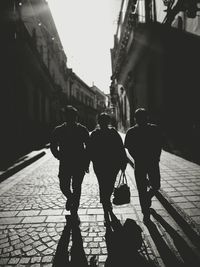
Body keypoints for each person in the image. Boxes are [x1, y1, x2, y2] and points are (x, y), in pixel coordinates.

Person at [50, 105, 90, 223]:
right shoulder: (59, 130)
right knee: (64, 186)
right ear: (65, 117)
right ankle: (70, 198)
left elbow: (89, 147)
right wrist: (58, 155)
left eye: (73, 116)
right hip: (65, 163)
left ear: (76, 117)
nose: (72, 118)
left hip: (79, 163)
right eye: (69, 116)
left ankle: (74, 210)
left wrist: (86, 163)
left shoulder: (82, 129)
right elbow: (53, 145)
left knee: (77, 187)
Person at [89, 113, 127, 226]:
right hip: (104, 164)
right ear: (99, 122)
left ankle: (106, 204)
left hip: (108, 164)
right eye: (102, 121)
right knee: (105, 185)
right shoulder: (95, 134)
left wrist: (123, 162)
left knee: (107, 185)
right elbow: (90, 149)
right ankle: (106, 207)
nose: (104, 123)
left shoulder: (112, 132)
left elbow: (120, 148)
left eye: (105, 121)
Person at [124, 108, 162, 223]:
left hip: (151, 162)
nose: (141, 119)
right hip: (141, 163)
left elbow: (159, 144)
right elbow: (129, 147)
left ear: (147, 117)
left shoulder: (154, 129)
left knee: (155, 185)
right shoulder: (131, 131)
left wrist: (156, 156)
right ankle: (145, 213)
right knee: (142, 188)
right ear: (136, 119)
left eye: (143, 117)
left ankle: (146, 200)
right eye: (139, 117)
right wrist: (137, 157)